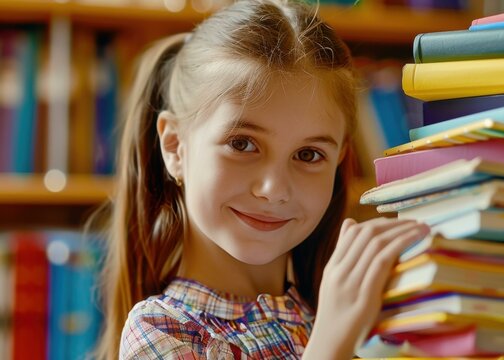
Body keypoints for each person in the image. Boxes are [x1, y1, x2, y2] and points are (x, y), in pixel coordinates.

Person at [96, 0, 430, 358]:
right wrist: (333, 339)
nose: (273, 190)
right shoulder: (161, 331)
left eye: (308, 155)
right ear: (176, 147)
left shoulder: (344, 314)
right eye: (242, 144)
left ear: (339, 159)